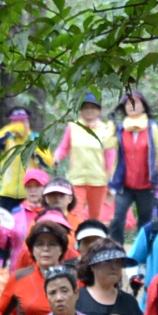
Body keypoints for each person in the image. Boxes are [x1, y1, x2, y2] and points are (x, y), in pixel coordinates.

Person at [111, 91, 158, 239]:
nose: (132, 106)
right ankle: (117, 252)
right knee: (117, 219)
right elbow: (108, 149)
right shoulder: (120, 129)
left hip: (146, 186)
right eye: (128, 103)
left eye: (136, 102)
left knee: (145, 223)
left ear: (144, 106)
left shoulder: (152, 128)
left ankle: (142, 255)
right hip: (125, 185)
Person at [53, 94, 117, 228]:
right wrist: (57, 156)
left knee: (95, 216)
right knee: (74, 213)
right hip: (77, 179)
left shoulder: (105, 129)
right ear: (80, 110)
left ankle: (94, 244)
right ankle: (73, 244)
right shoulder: (73, 127)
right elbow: (63, 147)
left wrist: (111, 177)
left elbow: (110, 155)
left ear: (99, 111)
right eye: (86, 107)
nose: (89, 110)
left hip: (99, 179)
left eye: (93, 107)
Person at [0, 107, 51, 200]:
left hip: (29, 192)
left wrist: (34, 149)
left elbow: (47, 162)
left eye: (22, 121)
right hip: (7, 192)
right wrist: (10, 130)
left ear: (28, 122)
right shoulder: (7, 138)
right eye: (15, 121)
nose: (19, 124)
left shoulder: (36, 138)